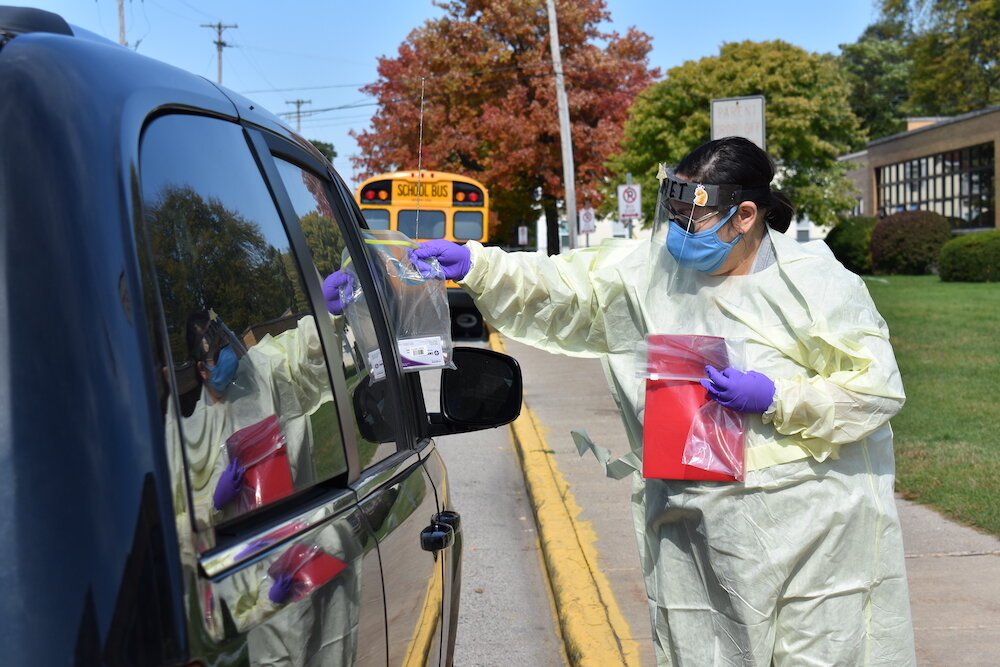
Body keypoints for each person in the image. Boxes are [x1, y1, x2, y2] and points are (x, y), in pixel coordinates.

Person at [370, 137, 916, 665]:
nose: (678, 232)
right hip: (700, 527)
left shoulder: (817, 285)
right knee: (705, 646)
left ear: (746, 215)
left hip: (817, 529)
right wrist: (480, 266)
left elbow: (874, 389)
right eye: (672, 213)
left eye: (693, 218)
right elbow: (568, 284)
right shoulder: (654, 273)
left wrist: (778, 399)